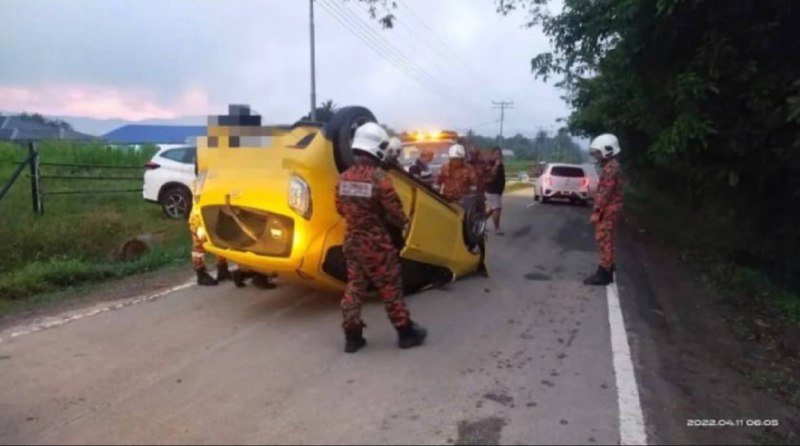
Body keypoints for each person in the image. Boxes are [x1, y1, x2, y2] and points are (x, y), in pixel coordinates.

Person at [334, 122, 427, 353]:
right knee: (390, 288)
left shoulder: (343, 178)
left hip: (352, 242)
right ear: (376, 149)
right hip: (376, 246)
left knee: (354, 288)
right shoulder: (380, 178)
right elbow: (397, 215)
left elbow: (340, 209)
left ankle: (352, 337)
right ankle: (406, 332)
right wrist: (401, 223)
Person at [583, 133, 624, 286]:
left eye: (598, 152)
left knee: (604, 240)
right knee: (608, 240)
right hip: (612, 209)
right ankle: (608, 268)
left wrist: (597, 212)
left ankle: (604, 273)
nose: (596, 156)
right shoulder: (612, 166)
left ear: (607, 150)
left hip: (608, 210)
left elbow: (605, 193)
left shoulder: (610, 168)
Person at [189, 211, 230, 286]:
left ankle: (223, 270)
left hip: (213, 216)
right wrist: (199, 225)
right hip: (199, 219)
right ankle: (201, 274)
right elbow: (197, 205)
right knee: (199, 247)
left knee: (219, 242)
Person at [484, 147, 507, 235]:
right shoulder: (490, 163)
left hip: (496, 190)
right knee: (497, 208)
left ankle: (479, 221)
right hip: (491, 190)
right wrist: (496, 165)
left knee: (492, 209)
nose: (499, 156)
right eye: (497, 154)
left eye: (500, 154)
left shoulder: (500, 163)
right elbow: (490, 174)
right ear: (492, 155)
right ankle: (497, 228)